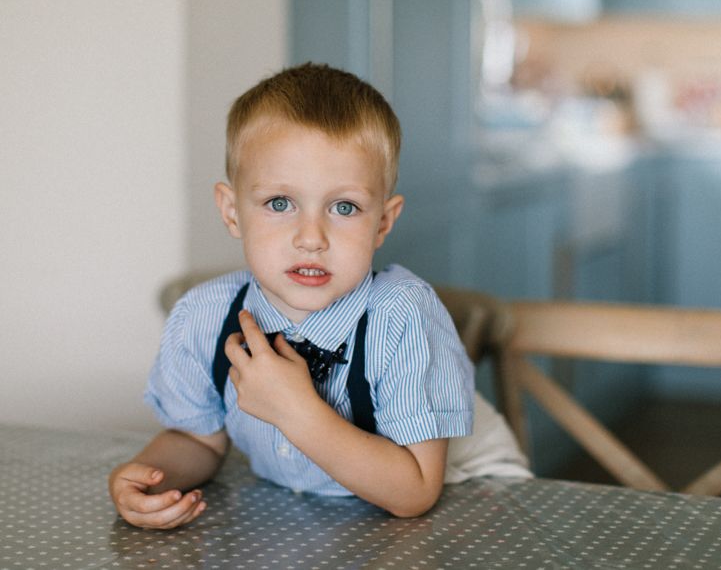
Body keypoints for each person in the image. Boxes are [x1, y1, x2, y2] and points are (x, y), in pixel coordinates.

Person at [108, 63, 529, 529]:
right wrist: (150, 478)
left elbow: (414, 492)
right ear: (231, 212)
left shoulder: (402, 315)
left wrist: (297, 411)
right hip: (322, 517)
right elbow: (198, 441)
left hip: (472, 503)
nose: (311, 237)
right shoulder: (205, 316)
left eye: (344, 207)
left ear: (383, 223)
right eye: (279, 203)